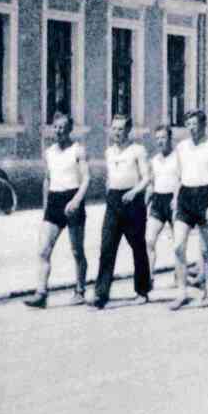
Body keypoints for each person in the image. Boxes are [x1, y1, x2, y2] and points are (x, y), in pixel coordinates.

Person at [25, 113, 90, 308]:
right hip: (54, 201)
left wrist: (77, 201)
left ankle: (79, 291)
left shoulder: (78, 150)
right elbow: (47, 178)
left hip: (72, 201)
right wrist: (46, 206)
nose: (58, 131)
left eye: (62, 127)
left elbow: (86, 179)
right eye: (55, 127)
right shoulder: (49, 152)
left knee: (77, 250)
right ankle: (41, 293)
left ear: (69, 130)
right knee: (43, 250)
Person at [92, 115, 151, 309]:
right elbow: (111, 176)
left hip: (133, 202)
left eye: (120, 129)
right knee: (107, 246)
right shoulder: (109, 152)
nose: (116, 133)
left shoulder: (137, 150)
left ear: (128, 131)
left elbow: (146, 178)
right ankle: (101, 293)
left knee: (138, 247)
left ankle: (142, 291)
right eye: (114, 128)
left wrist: (134, 193)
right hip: (114, 202)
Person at [171, 110, 208, 310]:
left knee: (205, 249)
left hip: (205, 196)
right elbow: (178, 175)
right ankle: (181, 292)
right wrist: (175, 199)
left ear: (203, 125)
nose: (192, 127)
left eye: (195, 124)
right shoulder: (182, 147)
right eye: (189, 124)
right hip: (185, 196)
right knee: (178, 246)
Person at [146, 126, 181, 289]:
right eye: (158, 138)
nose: (160, 141)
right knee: (149, 240)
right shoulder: (154, 160)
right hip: (158, 202)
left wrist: (176, 199)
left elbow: (182, 180)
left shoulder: (178, 158)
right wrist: (146, 203)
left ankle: (179, 275)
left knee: (178, 243)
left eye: (163, 137)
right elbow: (151, 184)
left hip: (174, 201)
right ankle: (149, 278)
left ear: (170, 139)